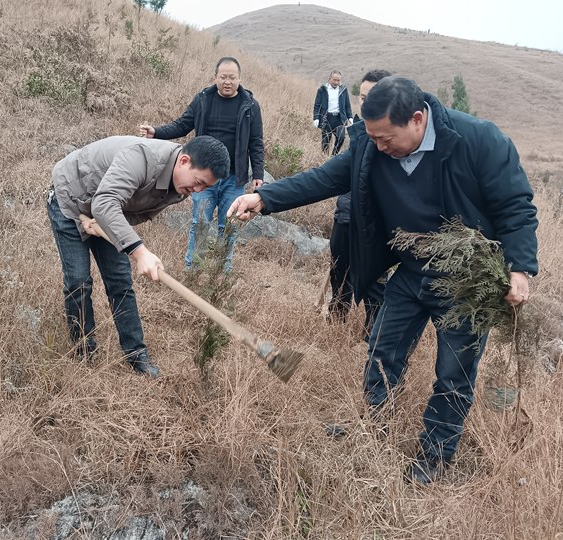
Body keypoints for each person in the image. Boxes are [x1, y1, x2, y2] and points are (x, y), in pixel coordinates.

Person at [228, 77, 538, 484]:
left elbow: (515, 206)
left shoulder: (477, 140)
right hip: (410, 272)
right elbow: (322, 179)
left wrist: (519, 267)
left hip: (465, 283)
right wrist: (265, 198)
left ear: (416, 119)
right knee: (381, 349)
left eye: (385, 138)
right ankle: (374, 426)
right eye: (372, 138)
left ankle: (435, 456)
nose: (378, 146)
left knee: (453, 373)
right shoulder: (370, 148)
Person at [47, 135, 230, 378]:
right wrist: (140, 251)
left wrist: (104, 225)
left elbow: (138, 213)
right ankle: (84, 352)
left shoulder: (179, 187)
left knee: (120, 282)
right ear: (184, 160)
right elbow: (104, 203)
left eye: (204, 188)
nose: (197, 191)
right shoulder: (142, 158)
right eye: (198, 182)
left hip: (103, 211)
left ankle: (136, 355)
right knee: (79, 282)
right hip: (70, 199)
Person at [139, 57, 264, 271]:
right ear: (215, 77)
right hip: (203, 178)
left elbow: (256, 142)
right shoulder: (203, 99)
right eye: (223, 77)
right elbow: (183, 124)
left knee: (229, 226)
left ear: (239, 79)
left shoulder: (250, 106)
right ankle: (193, 270)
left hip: (234, 179)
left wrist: (258, 174)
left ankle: (221, 273)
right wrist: (156, 132)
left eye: (232, 77)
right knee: (200, 223)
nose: (227, 82)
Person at [327, 70, 392, 339]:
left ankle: (371, 337)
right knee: (339, 273)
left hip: (376, 228)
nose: (365, 103)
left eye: (372, 97)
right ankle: (335, 322)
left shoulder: (393, 141)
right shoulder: (360, 134)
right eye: (362, 97)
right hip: (346, 216)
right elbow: (328, 177)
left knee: (375, 284)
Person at [313, 70, 353, 155]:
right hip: (326, 118)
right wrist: (316, 118)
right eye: (334, 80)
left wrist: (350, 117)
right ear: (329, 78)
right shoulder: (322, 89)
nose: (336, 82)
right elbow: (317, 105)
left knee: (341, 137)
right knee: (326, 141)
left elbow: (347, 105)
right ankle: (325, 159)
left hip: (339, 118)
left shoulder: (343, 90)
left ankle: (334, 156)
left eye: (338, 80)